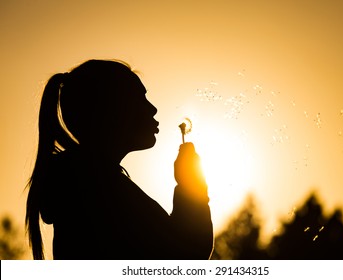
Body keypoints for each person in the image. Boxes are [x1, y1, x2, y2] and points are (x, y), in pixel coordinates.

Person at [25, 59, 213, 260]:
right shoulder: (101, 189)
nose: (153, 109)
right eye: (140, 99)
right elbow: (186, 255)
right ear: (112, 111)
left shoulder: (85, 183)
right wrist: (191, 187)